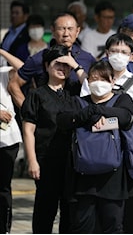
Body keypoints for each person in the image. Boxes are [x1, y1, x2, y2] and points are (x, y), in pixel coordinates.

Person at [79, 33, 133, 233]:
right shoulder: (94, 78)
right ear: (106, 53)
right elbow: (85, 111)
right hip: (96, 151)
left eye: (123, 52)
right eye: (114, 51)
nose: (118, 55)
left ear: (131, 55)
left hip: (128, 155)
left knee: (129, 213)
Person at [57, 61, 133, 233]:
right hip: (82, 179)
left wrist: (99, 112)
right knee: (82, 226)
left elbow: (127, 118)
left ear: (112, 81)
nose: (98, 83)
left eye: (103, 79)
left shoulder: (122, 99)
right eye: (93, 78)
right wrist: (88, 113)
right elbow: (63, 120)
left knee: (113, 225)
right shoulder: (77, 102)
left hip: (113, 179)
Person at [21, 44, 87, 233]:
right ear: (46, 66)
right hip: (46, 160)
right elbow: (28, 129)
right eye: (58, 64)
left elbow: (94, 89)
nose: (63, 69)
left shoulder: (75, 90)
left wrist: (75, 65)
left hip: (73, 161)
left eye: (66, 65)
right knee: (45, 209)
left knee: (70, 210)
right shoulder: (37, 95)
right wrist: (32, 160)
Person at [7, 12, 96, 108]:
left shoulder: (87, 58)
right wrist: (29, 113)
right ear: (52, 30)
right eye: (61, 29)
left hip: (80, 117)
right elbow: (13, 85)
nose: (66, 34)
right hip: (48, 118)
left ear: (77, 31)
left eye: (70, 29)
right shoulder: (39, 58)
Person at [0, 66, 23, 234]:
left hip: (6, 140)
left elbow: (24, 67)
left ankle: (4, 228)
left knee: (3, 187)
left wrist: (2, 51)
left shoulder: (3, 73)